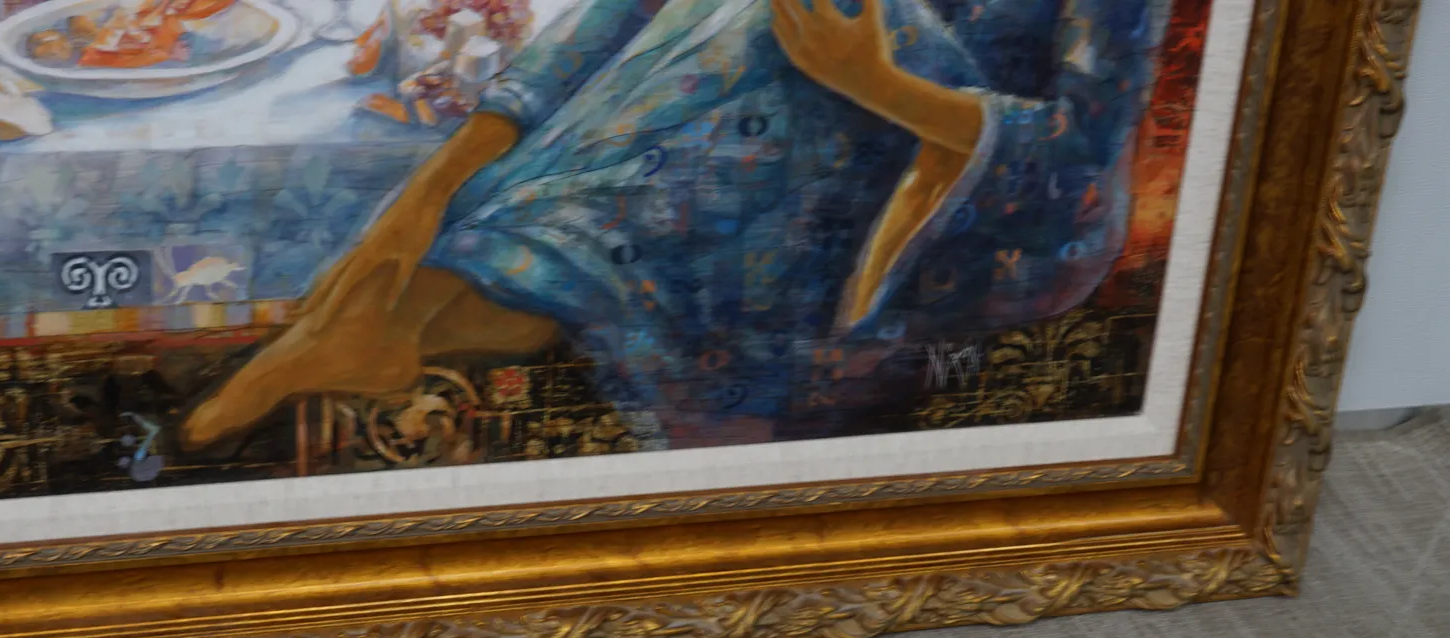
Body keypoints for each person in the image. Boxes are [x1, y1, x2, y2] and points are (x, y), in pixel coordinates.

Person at [181, 0, 1171, 451]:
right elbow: (616, 17)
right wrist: (434, 185)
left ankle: (400, 321)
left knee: (771, 37)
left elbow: (1082, 159)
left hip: (998, 211)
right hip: (847, 129)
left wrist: (871, 80)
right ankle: (398, 314)